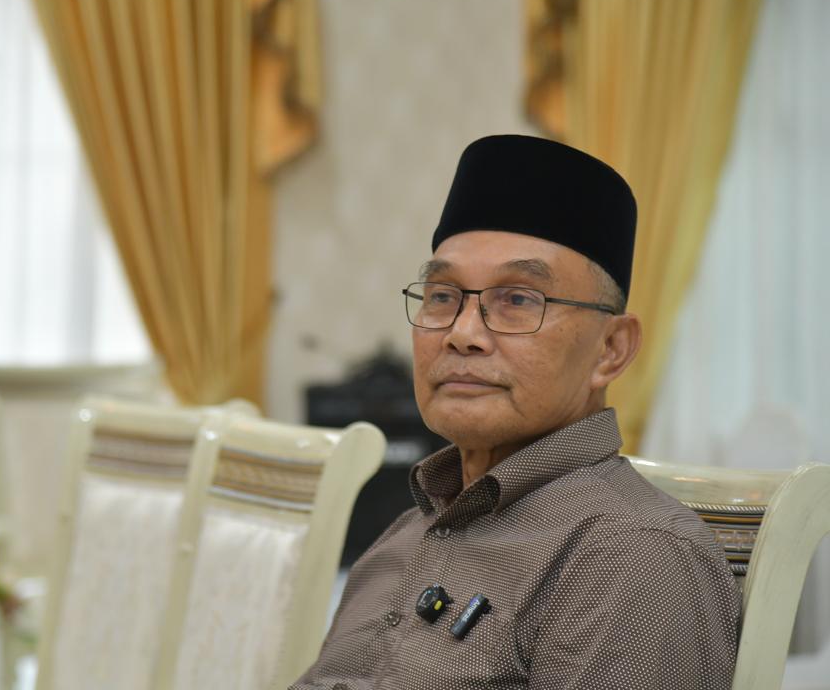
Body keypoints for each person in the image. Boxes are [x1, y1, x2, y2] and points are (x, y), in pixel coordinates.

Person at [291, 135, 740, 690]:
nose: (462, 333)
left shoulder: (631, 555)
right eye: (442, 296)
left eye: (519, 300)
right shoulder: (410, 529)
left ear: (610, 350)